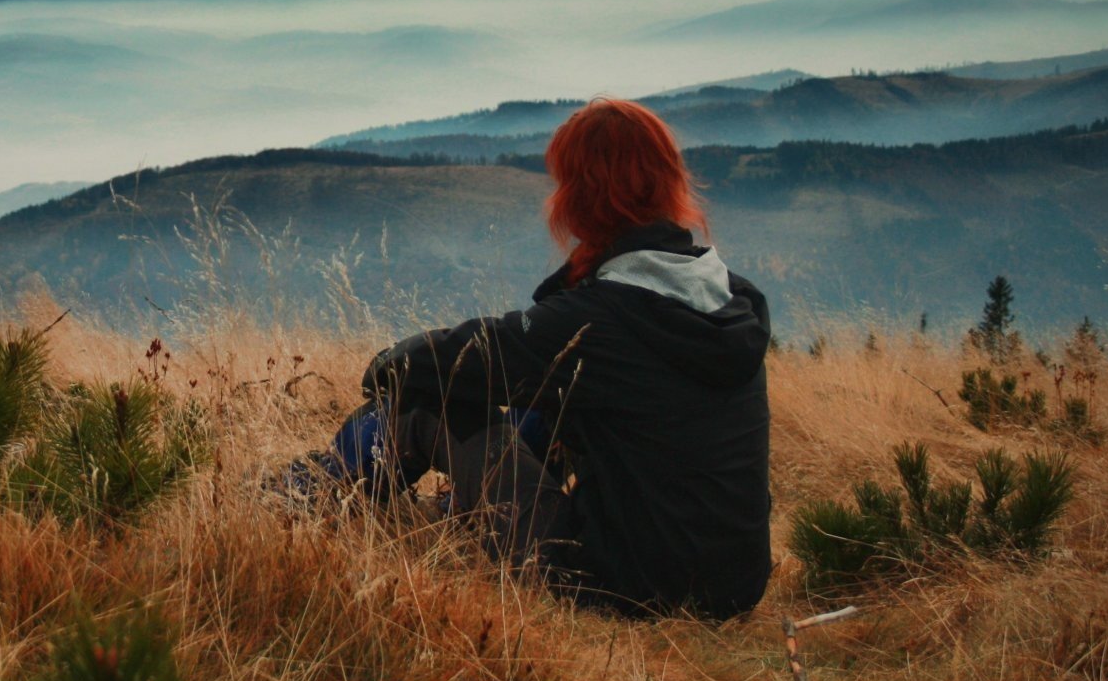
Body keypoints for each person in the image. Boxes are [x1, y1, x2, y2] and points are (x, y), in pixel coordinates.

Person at [283, 98, 773, 619]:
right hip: (733, 590)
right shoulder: (731, 297)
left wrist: (384, 364)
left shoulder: (594, 321)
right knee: (546, 405)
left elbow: (441, 361)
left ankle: (303, 500)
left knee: (427, 405)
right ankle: (447, 512)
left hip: (615, 590)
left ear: (582, 197)